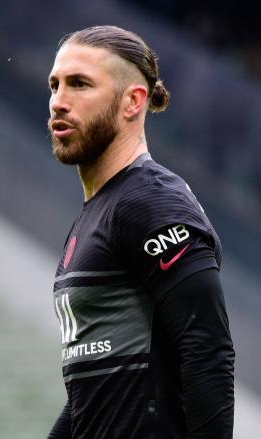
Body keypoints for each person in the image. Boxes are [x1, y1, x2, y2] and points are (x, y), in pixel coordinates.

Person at [45, 26, 235, 438]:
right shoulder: (99, 212)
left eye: (79, 85)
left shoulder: (151, 202)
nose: (59, 101)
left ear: (133, 101)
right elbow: (91, 393)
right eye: (55, 85)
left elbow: (208, 355)